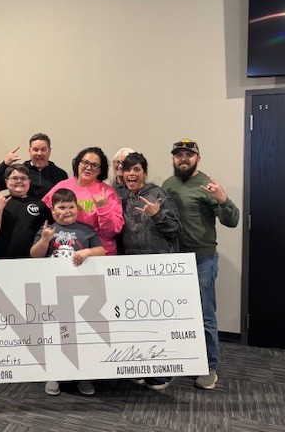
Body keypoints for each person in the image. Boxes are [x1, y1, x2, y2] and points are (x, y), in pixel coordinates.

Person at [162, 139, 239, 390]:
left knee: (205, 315)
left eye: (189, 154)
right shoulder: (168, 185)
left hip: (202, 259)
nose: (183, 158)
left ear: (198, 158)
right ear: (173, 158)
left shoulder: (208, 185)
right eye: (179, 155)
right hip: (175, 260)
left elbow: (232, 221)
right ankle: (182, 360)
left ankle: (209, 367)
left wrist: (223, 199)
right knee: (176, 314)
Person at [30, 188, 105, 397]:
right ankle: (53, 374)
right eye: (61, 207)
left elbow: (101, 251)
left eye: (71, 207)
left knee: (80, 332)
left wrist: (87, 251)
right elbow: (34, 255)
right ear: (53, 210)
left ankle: (83, 375)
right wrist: (45, 239)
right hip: (52, 291)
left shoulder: (86, 230)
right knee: (55, 332)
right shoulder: (46, 229)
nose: (67, 211)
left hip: (81, 290)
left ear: (77, 208)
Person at [121, 152, 181, 390]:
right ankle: (140, 366)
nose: (131, 174)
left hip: (158, 267)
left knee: (159, 323)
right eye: (127, 170)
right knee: (138, 322)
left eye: (136, 169)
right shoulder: (124, 197)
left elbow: (175, 229)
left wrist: (157, 215)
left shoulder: (158, 194)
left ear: (144, 173)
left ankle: (160, 371)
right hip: (131, 268)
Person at [43, 147, 124, 255]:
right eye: (85, 162)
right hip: (64, 252)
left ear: (100, 170)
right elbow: (45, 215)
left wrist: (103, 208)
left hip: (99, 254)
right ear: (78, 164)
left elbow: (112, 231)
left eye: (95, 165)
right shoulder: (62, 186)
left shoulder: (108, 193)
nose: (88, 168)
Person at [0, 164, 52, 259]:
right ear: (6, 181)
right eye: (14, 178)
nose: (19, 181)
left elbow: (51, 230)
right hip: (3, 260)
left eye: (23, 178)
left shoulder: (40, 205)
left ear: (29, 181)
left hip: (33, 261)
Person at [0, 133, 69, 199]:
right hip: (22, 212)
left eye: (43, 150)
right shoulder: (19, 172)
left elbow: (65, 199)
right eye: (35, 150)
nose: (39, 153)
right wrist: (4, 164)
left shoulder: (60, 174)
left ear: (49, 151)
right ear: (29, 151)